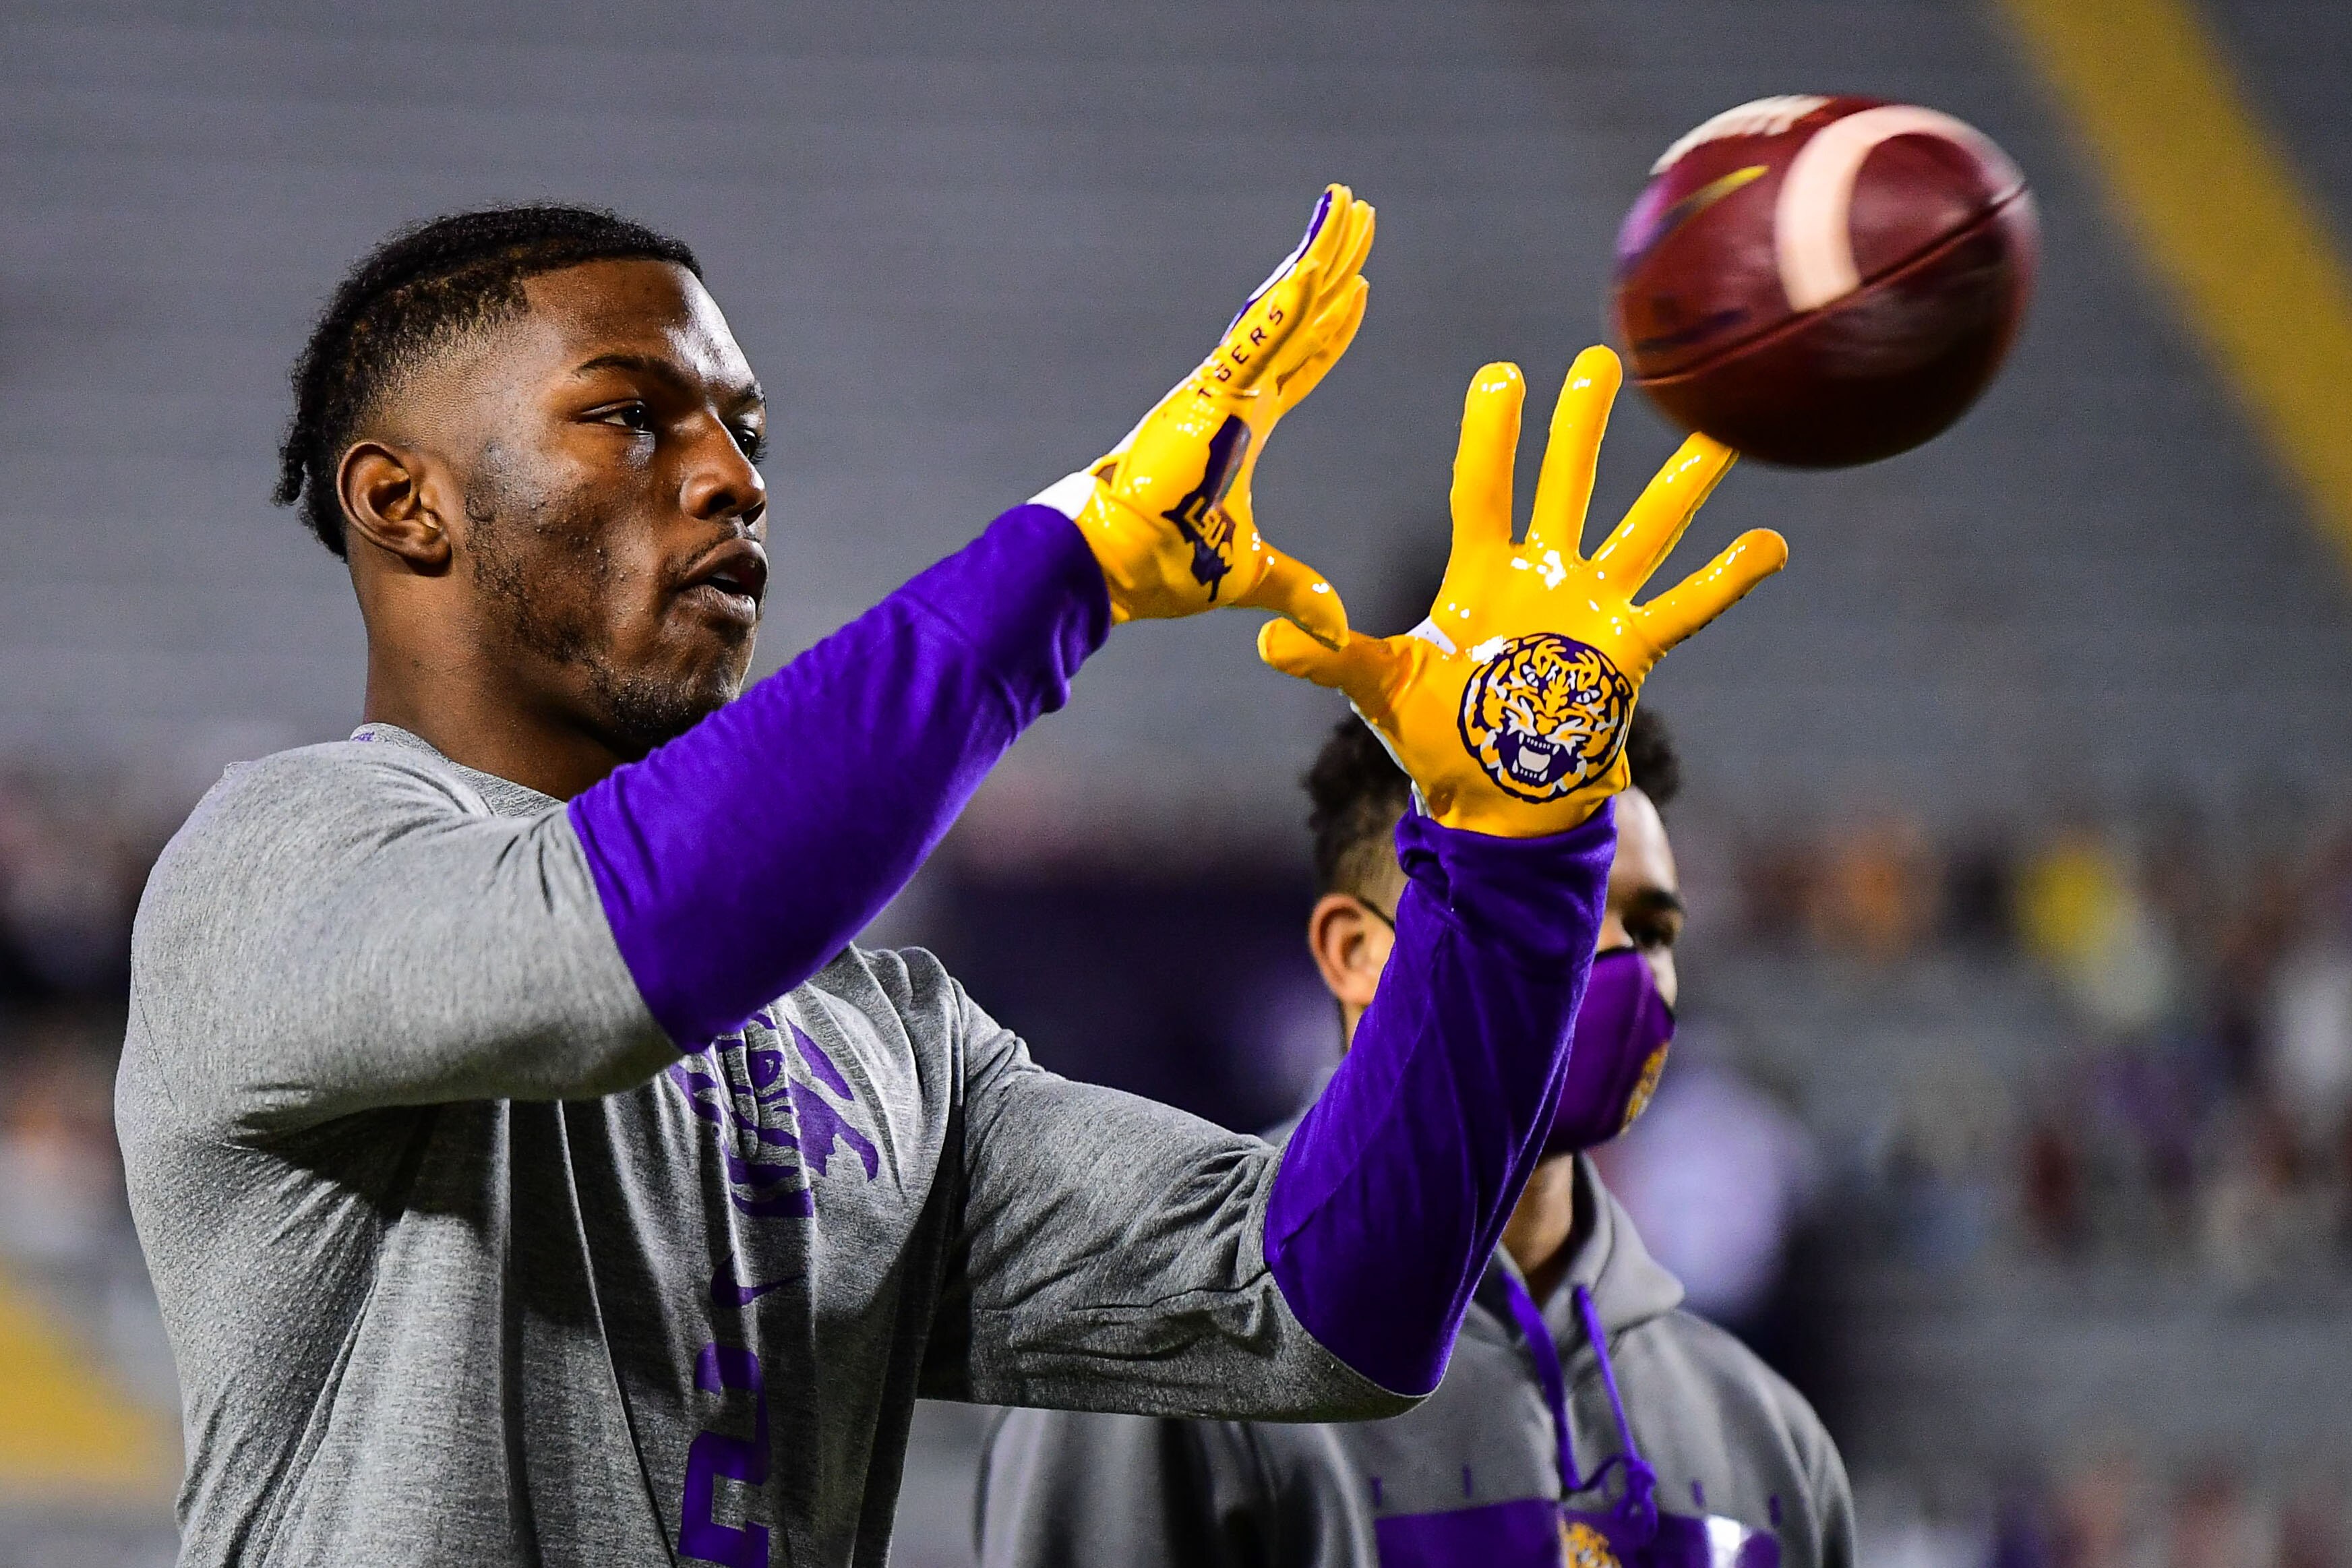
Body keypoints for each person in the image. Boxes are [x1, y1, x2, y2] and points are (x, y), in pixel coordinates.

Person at [117, 193, 1784, 1565]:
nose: (731, 474)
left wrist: (1514, 845)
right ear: (402, 501)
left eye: (746, 429)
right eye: (630, 413)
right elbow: (637, 937)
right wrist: (1069, 559)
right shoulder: (270, 870)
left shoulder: (886, 1040)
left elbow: (1323, 1302)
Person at [977, 712, 1855, 1568]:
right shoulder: (1151, 1360)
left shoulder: (1763, 1431)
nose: (1613, 965)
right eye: (1545, 908)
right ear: (1356, 952)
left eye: (1650, 927)